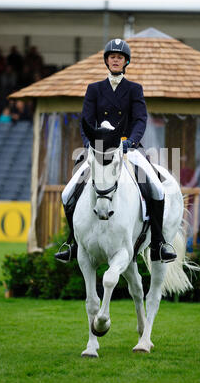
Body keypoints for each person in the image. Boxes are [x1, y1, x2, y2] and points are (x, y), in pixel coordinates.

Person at [55, 38, 176, 264]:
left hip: (128, 148)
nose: (116, 60)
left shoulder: (134, 89)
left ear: (126, 61)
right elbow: (86, 122)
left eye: (120, 57)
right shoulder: (94, 89)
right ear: (107, 60)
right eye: (112, 57)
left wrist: (130, 142)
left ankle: (159, 243)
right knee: (67, 193)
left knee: (157, 189)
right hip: (99, 150)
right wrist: (92, 144)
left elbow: (140, 120)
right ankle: (72, 242)